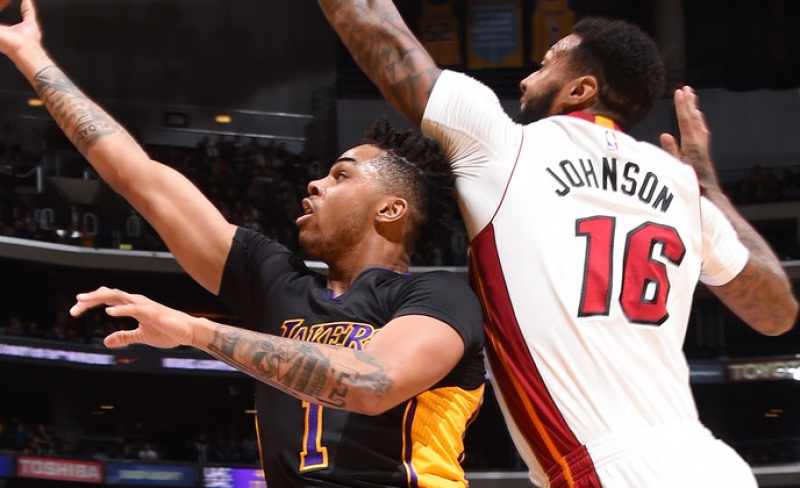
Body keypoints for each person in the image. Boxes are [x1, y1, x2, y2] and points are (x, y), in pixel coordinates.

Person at [0, 1, 486, 487]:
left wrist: (196, 331)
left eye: (341, 175)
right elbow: (136, 176)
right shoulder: (275, 282)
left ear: (391, 209)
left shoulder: (438, 296)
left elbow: (373, 383)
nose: (315, 184)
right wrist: (27, 53)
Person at [314, 2, 799, 487]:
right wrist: (711, 188)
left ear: (580, 89)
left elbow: (377, 26)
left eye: (546, 64)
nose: (526, 80)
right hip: (709, 460)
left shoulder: (502, 146)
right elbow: (776, 313)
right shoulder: (683, 186)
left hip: (609, 468)